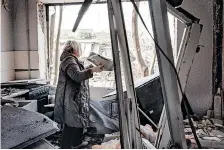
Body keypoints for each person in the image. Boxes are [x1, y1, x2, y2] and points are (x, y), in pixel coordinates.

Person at [54, 40, 103, 149]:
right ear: (75, 49)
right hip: (71, 98)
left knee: (77, 122)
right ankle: (65, 147)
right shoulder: (70, 60)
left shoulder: (71, 60)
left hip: (74, 97)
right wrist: (92, 70)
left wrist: (91, 68)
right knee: (71, 124)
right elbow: (76, 75)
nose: (80, 50)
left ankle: (76, 143)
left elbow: (78, 71)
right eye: (79, 48)